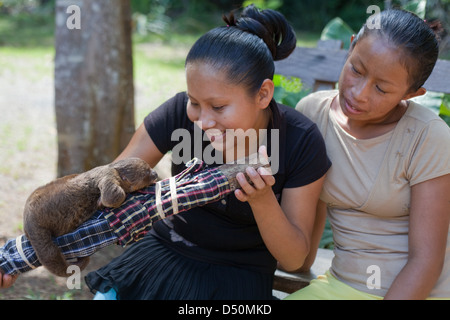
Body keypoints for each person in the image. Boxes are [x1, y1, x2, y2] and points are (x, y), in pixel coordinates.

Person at [1, 5, 331, 297]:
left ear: (263, 95)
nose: (202, 121)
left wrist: (260, 199)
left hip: (238, 276)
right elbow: (106, 192)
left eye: (218, 106)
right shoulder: (176, 114)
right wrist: (15, 258)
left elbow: (294, 258)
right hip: (160, 253)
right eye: (194, 102)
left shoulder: (299, 141)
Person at [286, 9, 450, 300]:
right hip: (341, 285)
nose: (359, 93)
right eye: (356, 70)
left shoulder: (427, 136)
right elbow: (302, 251)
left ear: (411, 94)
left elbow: (426, 261)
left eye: (381, 88)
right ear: (351, 46)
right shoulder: (313, 115)